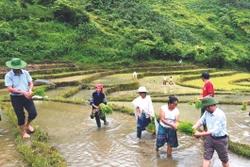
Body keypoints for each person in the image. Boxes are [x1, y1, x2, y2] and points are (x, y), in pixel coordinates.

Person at [4, 58, 37, 138]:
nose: (17, 69)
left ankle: (27, 124)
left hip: (27, 96)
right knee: (20, 116)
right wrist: (23, 92)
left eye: (19, 68)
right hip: (16, 98)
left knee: (33, 113)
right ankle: (24, 133)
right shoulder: (8, 75)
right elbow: (10, 89)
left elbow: (31, 83)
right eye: (16, 68)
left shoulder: (25, 73)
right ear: (12, 67)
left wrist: (29, 90)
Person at [192, 96, 229, 167]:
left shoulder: (220, 115)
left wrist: (200, 134)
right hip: (210, 138)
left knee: (224, 159)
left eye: (206, 107)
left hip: (220, 140)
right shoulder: (207, 112)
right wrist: (193, 128)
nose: (205, 108)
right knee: (206, 157)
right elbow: (201, 121)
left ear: (212, 105)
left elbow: (215, 130)